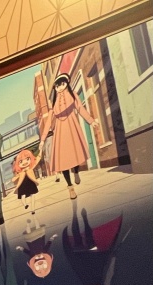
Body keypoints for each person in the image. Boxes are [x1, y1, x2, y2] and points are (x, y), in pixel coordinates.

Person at [39, 73, 98, 201]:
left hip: (72, 127)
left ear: (67, 83)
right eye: (57, 86)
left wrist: (91, 121)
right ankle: (70, 187)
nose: (60, 87)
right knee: (63, 161)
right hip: (60, 132)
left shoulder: (73, 95)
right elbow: (48, 122)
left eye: (62, 84)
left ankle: (76, 171)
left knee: (75, 154)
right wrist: (43, 139)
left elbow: (80, 109)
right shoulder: (53, 103)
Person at [11, 149, 42, 215]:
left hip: (29, 183)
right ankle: (25, 205)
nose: (25, 162)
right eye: (21, 161)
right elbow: (14, 178)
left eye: (27, 159)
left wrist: (41, 150)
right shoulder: (21, 172)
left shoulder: (30, 168)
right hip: (24, 184)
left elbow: (37, 159)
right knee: (24, 195)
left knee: (31, 195)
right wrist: (14, 179)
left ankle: (32, 209)